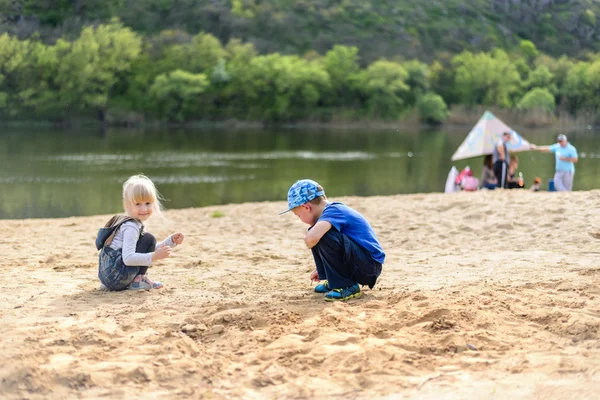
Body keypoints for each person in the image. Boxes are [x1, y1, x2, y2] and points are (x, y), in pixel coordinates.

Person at [280, 179, 385, 301]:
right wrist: (326, 268)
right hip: (360, 262)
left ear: (306, 207)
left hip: (369, 267)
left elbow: (312, 238)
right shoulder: (328, 213)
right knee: (318, 231)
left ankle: (346, 285)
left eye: (299, 215)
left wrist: (309, 239)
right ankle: (335, 280)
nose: (300, 219)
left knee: (320, 234)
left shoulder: (334, 211)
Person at [95, 175, 185, 291]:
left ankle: (133, 280)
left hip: (106, 277)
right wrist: (154, 256)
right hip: (117, 278)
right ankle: (138, 281)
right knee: (149, 239)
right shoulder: (131, 227)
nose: (144, 209)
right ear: (127, 205)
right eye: (138, 204)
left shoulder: (125, 222)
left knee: (148, 241)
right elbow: (128, 258)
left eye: (148, 203)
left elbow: (147, 250)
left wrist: (171, 242)